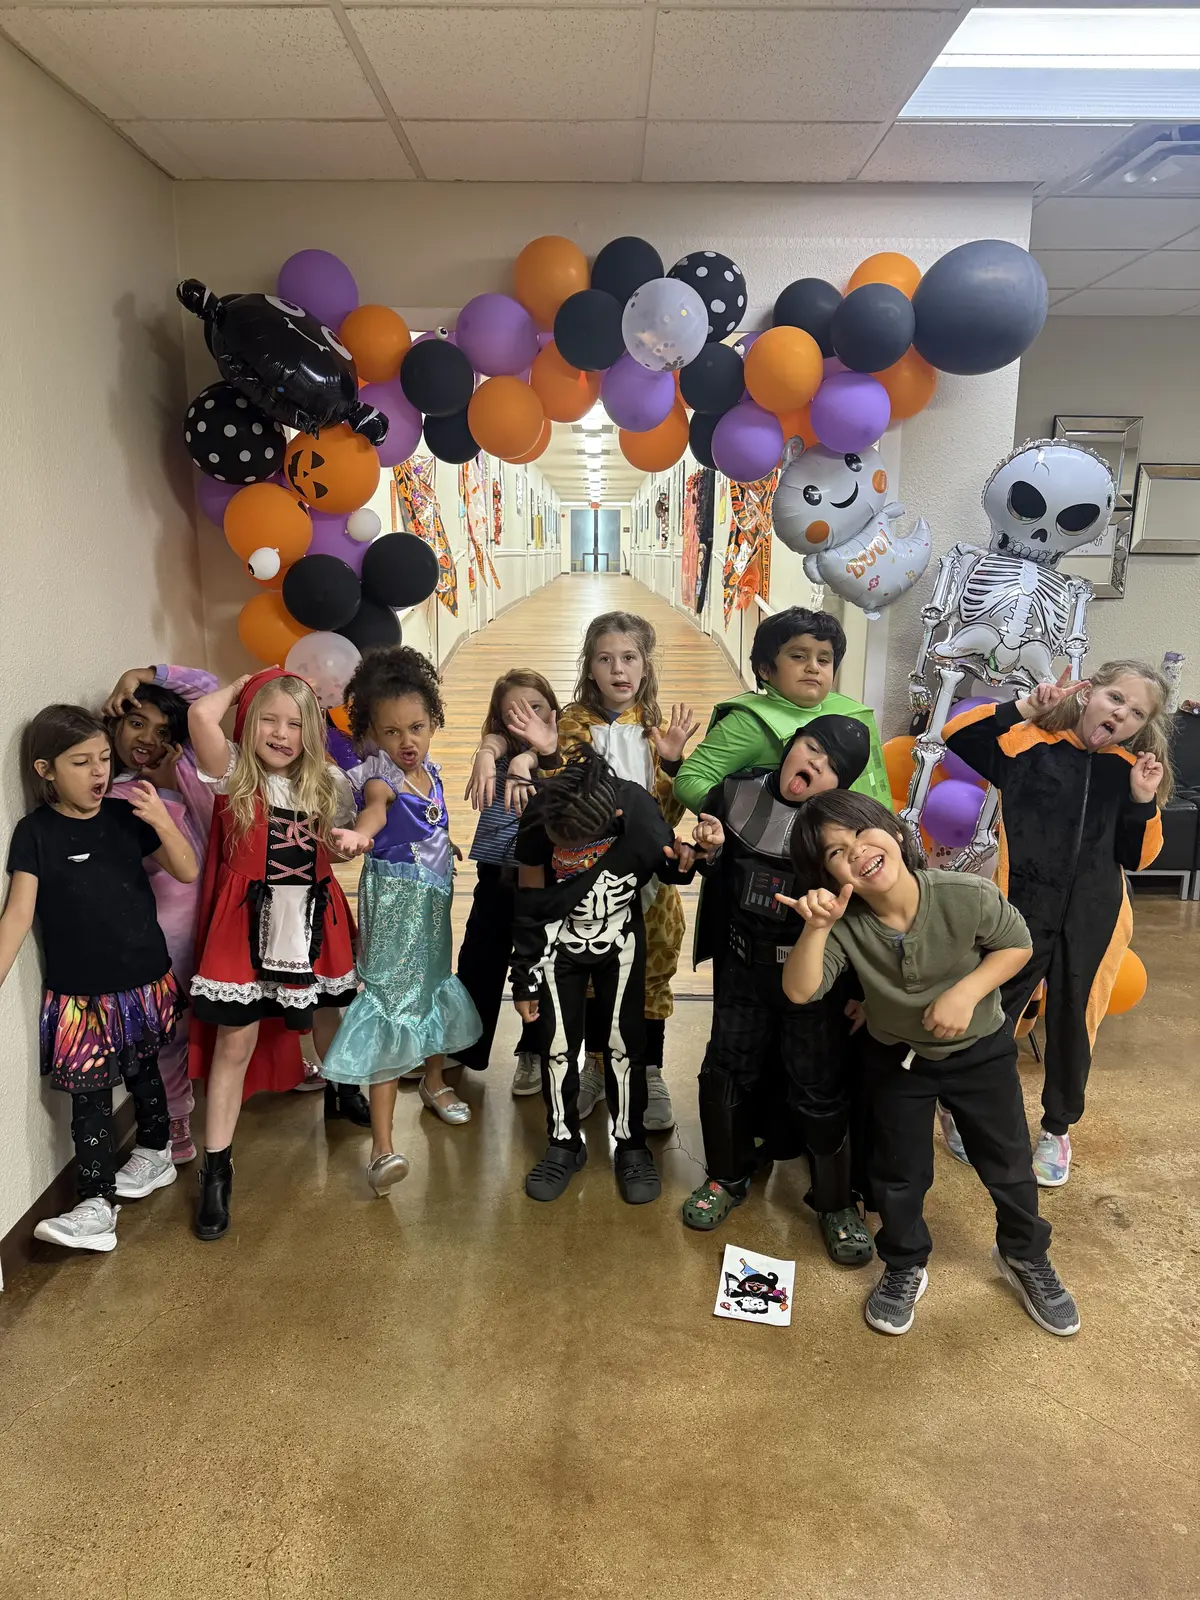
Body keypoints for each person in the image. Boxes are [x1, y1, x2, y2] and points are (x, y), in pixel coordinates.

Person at [782, 792, 1080, 1339]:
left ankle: (1023, 1253)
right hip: (898, 1061)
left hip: (982, 1052)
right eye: (836, 852)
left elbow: (1016, 945)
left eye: (862, 833)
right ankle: (904, 1263)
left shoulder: (965, 893)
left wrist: (966, 993)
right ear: (826, 876)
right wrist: (817, 927)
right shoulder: (844, 924)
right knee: (899, 1173)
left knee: (1009, 1164)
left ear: (895, 832)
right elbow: (801, 990)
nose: (857, 851)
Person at [943, 660, 1169, 1186]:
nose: (1122, 714)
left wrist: (1141, 800)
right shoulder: (1028, 745)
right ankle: (959, 1106)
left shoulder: (1128, 771)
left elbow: (1137, 857)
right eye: (1116, 698)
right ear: (1088, 693)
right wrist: (1026, 706)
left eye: (1137, 713)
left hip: (1096, 917)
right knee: (992, 1010)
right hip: (1020, 910)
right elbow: (959, 735)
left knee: (1075, 1020)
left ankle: (1057, 1128)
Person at [0, 706, 197, 1253]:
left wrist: (161, 819)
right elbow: (17, 914)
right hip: (78, 995)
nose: (98, 772)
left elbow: (186, 869)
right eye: (81, 762)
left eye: (104, 759)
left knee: (143, 1071)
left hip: (142, 979)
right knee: (88, 1098)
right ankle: (96, 1205)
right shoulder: (34, 833)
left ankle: (155, 1151)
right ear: (45, 770)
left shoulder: (124, 815)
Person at [681, 716, 874, 1268]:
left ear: (841, 784)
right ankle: (726, 1176)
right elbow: (717, 868)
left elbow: (869, 910)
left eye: (831, 766)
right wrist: (709, 853)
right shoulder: (734, 793)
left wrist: (867, 989)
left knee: (820, 1080)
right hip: (742, 967)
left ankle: (836, 1202)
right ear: (791, 745)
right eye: (811, 748)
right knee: (727, 1065)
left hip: (813, 977)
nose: (814, 764)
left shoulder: (849, 829)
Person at [187, 670, 363, 1241]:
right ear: (249, 722)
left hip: (312, 915)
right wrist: (243, 685)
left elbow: (335, 851)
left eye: (294, 723)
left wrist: (342, 847)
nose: (281, 734)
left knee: (330, 1013)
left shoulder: (327, 782)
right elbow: (199, 716)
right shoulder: (236, 772)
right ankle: (217, 1171)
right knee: (234, 1041)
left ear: (311, 731)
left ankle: (341, 1088)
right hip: (246, 923)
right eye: (269, 719)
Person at [507, 612, 698, 1133]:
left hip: (650, 888)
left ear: (645, 666)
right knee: (592, 977)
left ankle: (650, 1071)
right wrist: (544, 755)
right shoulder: (568, 724)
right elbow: (557, 806)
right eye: (605, 658)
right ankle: (594, 1066)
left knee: (650, 976)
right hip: (585, 884)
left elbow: (664, 817)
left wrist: (673, 765)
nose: (618, 670)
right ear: (589, 667)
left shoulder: (657, 729)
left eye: (629, 658)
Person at [511, 749, 709, 1206]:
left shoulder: (639, 815)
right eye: (560, 844)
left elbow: (671, 870)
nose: (568, 854)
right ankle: (563, 1142)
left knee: (625, 1045)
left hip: (621, 939)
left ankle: (631, 1144)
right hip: (557, 941)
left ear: (613, 821)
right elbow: (528, 900)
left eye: (580, 846)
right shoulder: (541, 815)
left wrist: (691, 858)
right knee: (555, 1047)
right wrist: (523, 977)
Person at [321, 647, 481, 1186]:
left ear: (433, 721)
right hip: (394, 907)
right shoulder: (381, 778)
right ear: (371, 733)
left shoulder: (428, 771)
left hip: (433, 904)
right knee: (391, 1004)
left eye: (416, 727)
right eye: (391, 732)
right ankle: (382, 1149)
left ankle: (434, 1082)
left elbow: (427, 823)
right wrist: (360, 836)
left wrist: (445, 844)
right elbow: (376, 812)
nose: (406, 741)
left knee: (433, 987)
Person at [103, 664, 218, 1164]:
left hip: (212, 926)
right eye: (136, 723)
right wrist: (164, 790)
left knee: (223, 1020)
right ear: (115, 723)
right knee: (169, 1035)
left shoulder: (185, 765)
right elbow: (165, 862)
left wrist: (141, 673)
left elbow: (208, 690)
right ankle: (176, 1120)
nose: (148, 739)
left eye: (162, 731)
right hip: (166, 943)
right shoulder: (115, 795)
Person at [674, 606, 891, 819]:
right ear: (765, 669)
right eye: (798, 656)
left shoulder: (851, 714)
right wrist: (743, 822)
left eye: (823, 660)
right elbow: (690, 779)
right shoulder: (749, 723)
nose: (813, 667)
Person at [457, 669, 561, 1093]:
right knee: (478, 960)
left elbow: (550, 754)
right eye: (511, 713)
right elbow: (496, 741)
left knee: (537, 966)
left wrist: (528, 759)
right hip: (495, 875)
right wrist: (489, 750)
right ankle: (464, 1047)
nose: (524, 719)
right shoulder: (498, 749)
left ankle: (535, 1050)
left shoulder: (560, 752)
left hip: (544, 879)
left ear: (552, 710)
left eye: (534, 707)